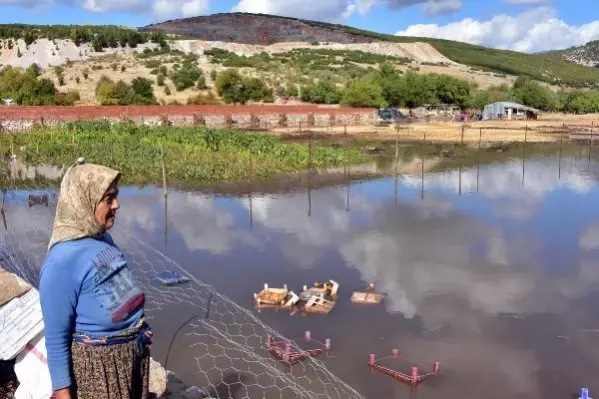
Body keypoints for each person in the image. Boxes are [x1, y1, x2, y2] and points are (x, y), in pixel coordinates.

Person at [40, 160, 151, 399]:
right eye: (108, 199)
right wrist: (63, 394)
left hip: (131, 358)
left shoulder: (101, 239)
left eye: (116, 196)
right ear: (84, 202)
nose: (117, 205)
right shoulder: (61, 262)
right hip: (100, 373)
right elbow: (56, 338)